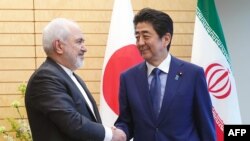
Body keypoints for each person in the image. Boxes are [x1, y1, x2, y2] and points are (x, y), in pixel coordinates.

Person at [114, 8, 216, 141]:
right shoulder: (128, 78)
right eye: (137, 37)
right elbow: (126, 121)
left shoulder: (193, 75)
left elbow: (205, 124)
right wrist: (119, 132)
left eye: (145, 36)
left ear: (166, 39)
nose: (140, 43)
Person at [25, 18, 126, 141]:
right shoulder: (45, 78)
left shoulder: (70, 77)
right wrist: (110, 134)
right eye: (79, 42)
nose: (84, 48)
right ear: (59, 46)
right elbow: (72, 123)